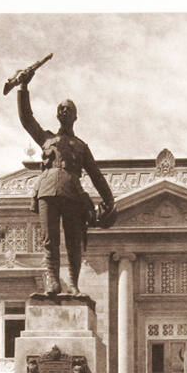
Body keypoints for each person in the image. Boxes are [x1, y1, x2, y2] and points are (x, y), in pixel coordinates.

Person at [16, 68, 115, 295]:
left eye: (68, 108)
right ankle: (53, 281)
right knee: (49, 240)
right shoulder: (47, 138)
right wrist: (23, 88)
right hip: (47, 191)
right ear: (57, 114)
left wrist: (110, 200)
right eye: (61, 108)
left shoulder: (81, 146)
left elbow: (96, 175)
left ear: (75, 116)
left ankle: (73, 284)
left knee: (74, 242)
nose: (64, 110)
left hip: (72, 193)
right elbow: (26, 119)